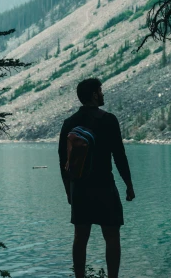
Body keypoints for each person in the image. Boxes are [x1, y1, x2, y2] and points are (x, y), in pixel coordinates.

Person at [58, 78, 135, 278]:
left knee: (80, 237)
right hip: (104, 186)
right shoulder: (108, 119)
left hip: (80, 188)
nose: (103, 94)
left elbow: (62, 162)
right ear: (94, 95)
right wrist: (128, 185)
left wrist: (69, 191)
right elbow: (119, 155)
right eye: (100, 91)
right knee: (111, 236)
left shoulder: (69, 123)